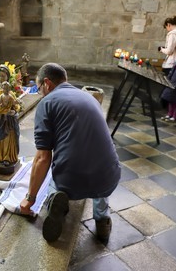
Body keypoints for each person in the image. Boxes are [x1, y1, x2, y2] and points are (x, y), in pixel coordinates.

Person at [19, 63, 121, 243]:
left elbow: (43, 158)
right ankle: (102, 219)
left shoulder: (47, 102)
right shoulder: (89, 97)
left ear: (47, 83)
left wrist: (30, 199)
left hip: (71, 177)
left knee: (53, 178)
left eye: (40, 88)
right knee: (99, 169)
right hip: (110, 173)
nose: (41, 92)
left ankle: (55, 202)